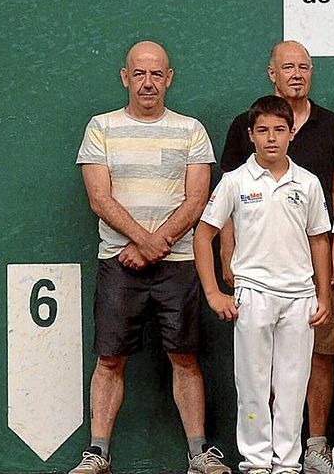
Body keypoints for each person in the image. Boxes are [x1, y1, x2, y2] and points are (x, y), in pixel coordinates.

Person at [72, 40, 230, 474]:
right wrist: (145, 241)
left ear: (169, 78)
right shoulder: (100, 127)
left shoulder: (191, 130)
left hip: (177, 267)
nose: (147, 83)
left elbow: (197, 199)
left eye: (156, 74)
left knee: (185, 356)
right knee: (109, 359)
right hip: (119, 262)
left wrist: (157, 244)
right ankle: (98, 454)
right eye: (139, 74)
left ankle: (198, 453)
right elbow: (99, 199)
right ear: (125, 77)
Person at [220, 40, 334, 474]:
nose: (297, 73)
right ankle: (259, 460)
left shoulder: (331, 126)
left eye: (304, 67)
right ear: (271, 73)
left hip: (307, 283)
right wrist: (228, 263)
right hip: (254, 282)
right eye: (287, 67)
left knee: (311, 366)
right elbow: (225, 211)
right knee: (257, 378)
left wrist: (328, 280)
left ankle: (305, 451)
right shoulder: (245, 125)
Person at [193, 95, 333, 474]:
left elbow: (320, 239)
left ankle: (287, 464)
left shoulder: (307, 183)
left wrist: (324, 295)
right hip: (252, 294)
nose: (272, 138)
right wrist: (212, 292)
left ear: (291, 133)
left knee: (291, 385)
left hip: (300, 297)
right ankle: (256, 462)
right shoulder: (234, 181)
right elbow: (203, 235)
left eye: (279, 130)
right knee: (253, 385)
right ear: (250, 135)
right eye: (263, 131)